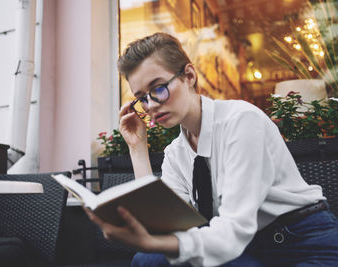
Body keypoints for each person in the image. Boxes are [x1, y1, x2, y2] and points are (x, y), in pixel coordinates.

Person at [84, 32, 338, 266]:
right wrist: (138, 148)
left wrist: (157, 243)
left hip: (302, 242)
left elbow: (233, 231)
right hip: (247, 248)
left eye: (158, 88)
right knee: (148, 260)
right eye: (142, 97)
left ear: (189, 76)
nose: (150, 105)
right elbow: (165, 225)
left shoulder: (241, 121)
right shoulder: (176, 153)